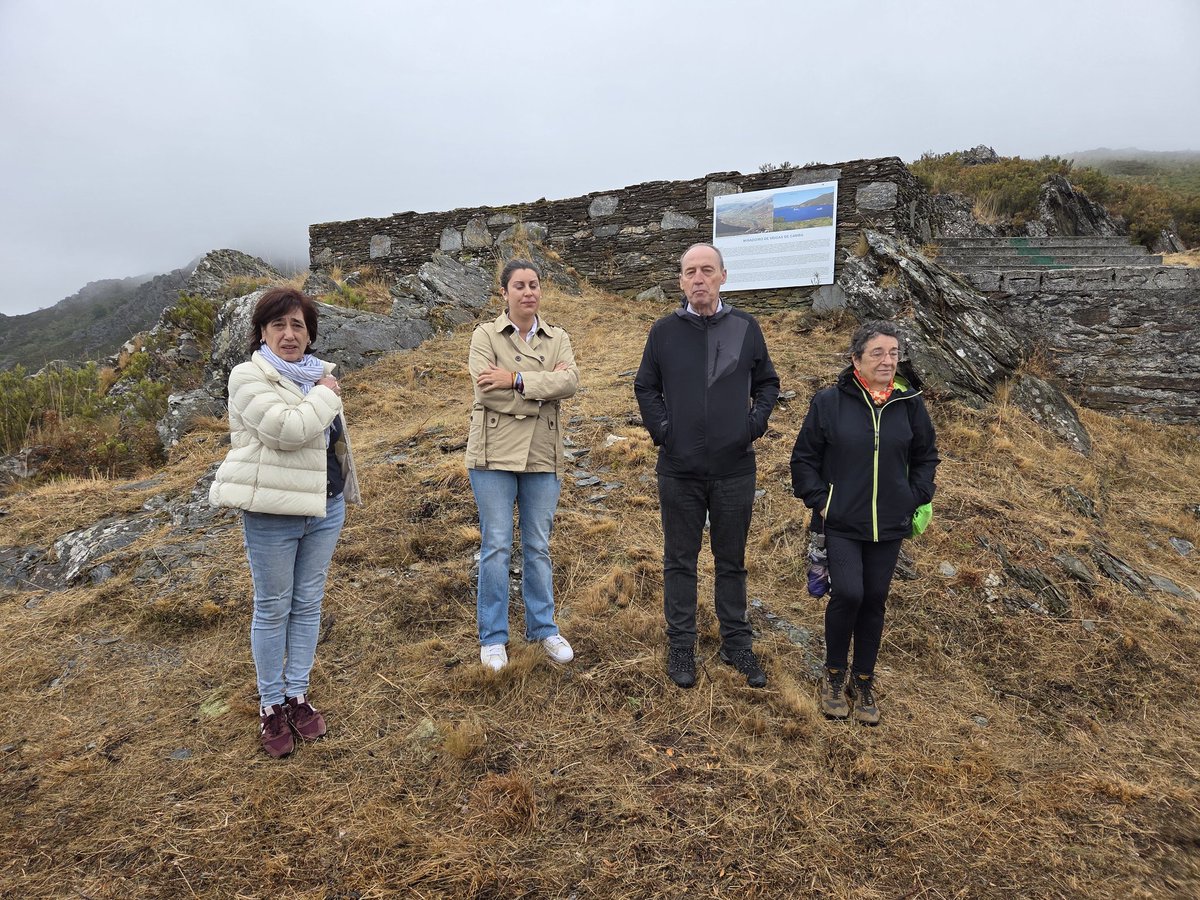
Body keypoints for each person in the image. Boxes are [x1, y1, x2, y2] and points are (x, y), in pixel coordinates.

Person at [209, 287, 360, 758]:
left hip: (324, 506)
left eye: (298, 325)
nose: (290, 334)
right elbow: (287, 432)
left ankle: (297, 695)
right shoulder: (247, 376)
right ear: (261, 333)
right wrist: (326, 396)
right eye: (279, 325)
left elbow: (330, 444)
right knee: (274, 606)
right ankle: (270, 704)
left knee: (309, 602)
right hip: (273, 515)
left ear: (310, 332)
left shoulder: (317, 376)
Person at [634, 243, 780, 689]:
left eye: (707, 271)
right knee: (680, 560)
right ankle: (682, 645)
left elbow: (769, 382)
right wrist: (665, 431)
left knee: (731, 560)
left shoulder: (745, 327)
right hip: (679, 469)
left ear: (723, 276)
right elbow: (645, 386)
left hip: (735, 469)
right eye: (690, 272)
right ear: (680, 281)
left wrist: (751, 426)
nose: (698, 279)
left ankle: (737, 644)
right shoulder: (663, 332)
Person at [789, 320, 939, 725]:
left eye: (893, 353)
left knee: (875, 599)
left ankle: (864, 679)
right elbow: (803, 459)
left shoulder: (909, 404)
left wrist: (915, 495)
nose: (888, 360)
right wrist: (822, 502)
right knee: (850, 594)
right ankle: (834, 675)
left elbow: (926, 457)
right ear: (856, 359)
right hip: (841, 521)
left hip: (890, 523)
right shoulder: (829, 402)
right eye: (878, 353)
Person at [465, 259, 580, 672]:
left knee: (537, 546)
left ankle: (543, 629)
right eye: (519, 285)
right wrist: (543, 385)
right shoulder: (484, 335)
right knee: (496, 546)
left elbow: (570, 383)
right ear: (505, 293)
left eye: (534, 284)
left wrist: (514, 379)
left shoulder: (558, 337)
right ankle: (493, 638)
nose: (528, 292)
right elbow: (485, 393)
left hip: (542, 455)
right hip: (493, 454)